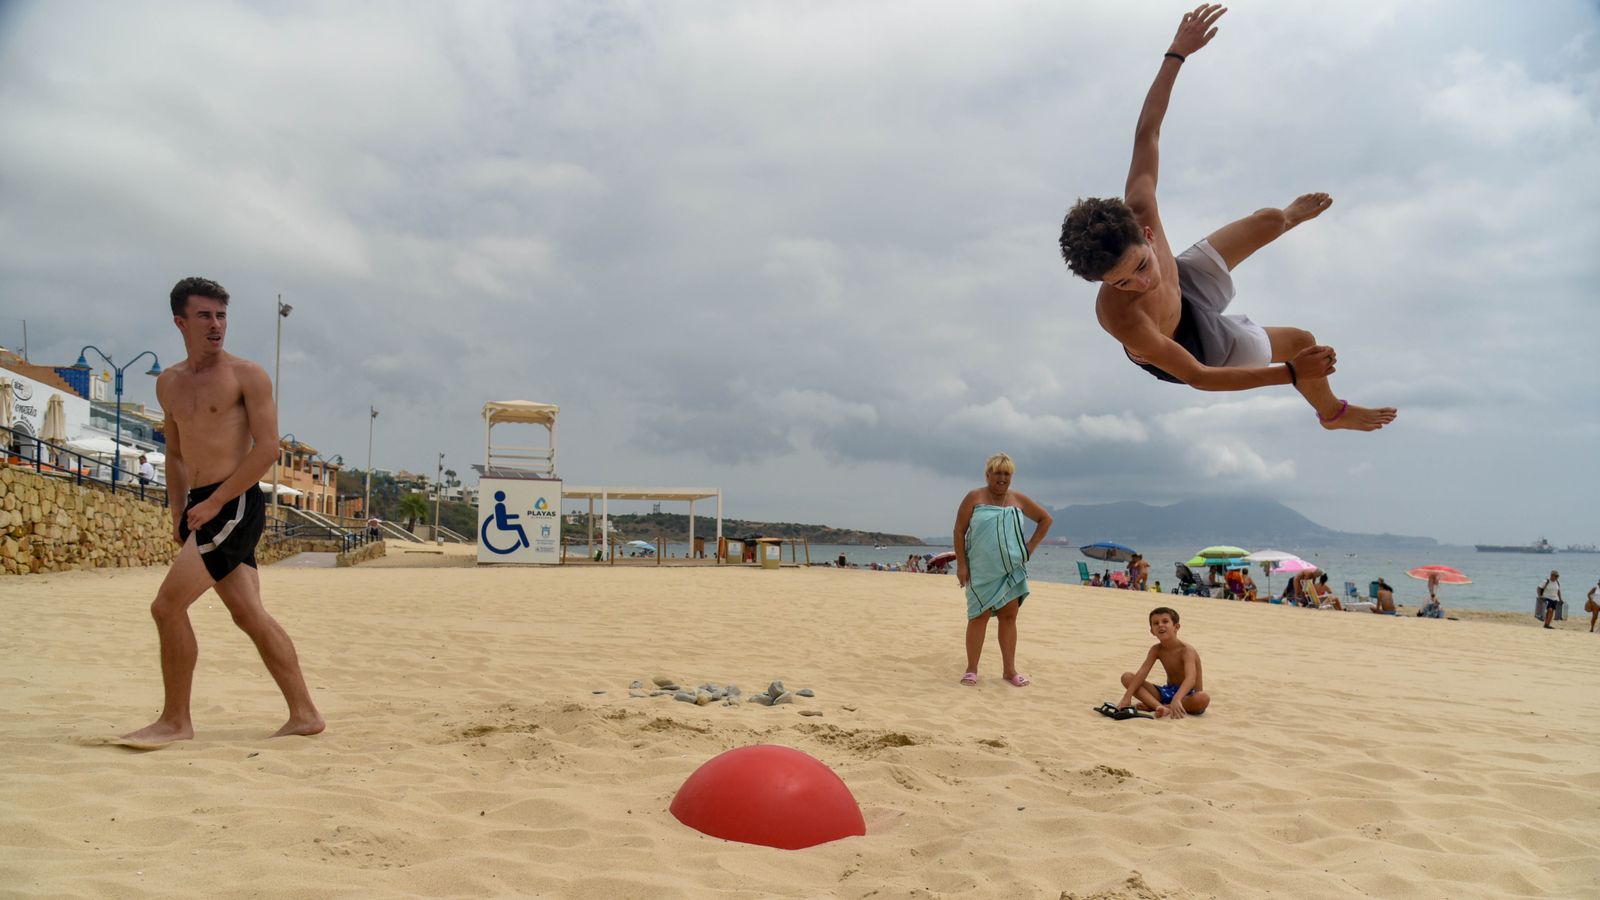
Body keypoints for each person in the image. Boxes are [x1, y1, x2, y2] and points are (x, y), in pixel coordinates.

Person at [1057, 4, 1397, 432]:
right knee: (1302, 343)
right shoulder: (1122, 318)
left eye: (1140, 266)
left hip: (1183, 280)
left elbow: (1148, 130)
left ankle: (1286, 219)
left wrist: (1176, 53)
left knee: (1271, 219)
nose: (1140, 283)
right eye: (1122, 282)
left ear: (1146, 233)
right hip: (1192, 345)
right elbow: (1200, 378)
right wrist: (1294, 373)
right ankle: (1332, 414)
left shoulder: (1141, 204)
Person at [120, 276, 323, 746]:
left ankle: (175, 721)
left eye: (222, 315)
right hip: (200, 505)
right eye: (205, 315)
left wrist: (214, 501)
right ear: (180, 322)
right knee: (249, 614)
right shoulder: (168, 384)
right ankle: (305, 713)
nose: (216, 325)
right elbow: (173, 455)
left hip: (234, 501)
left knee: (167, 606)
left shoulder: (246, 375)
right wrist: (179, 509)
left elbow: (268, 448)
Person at [953, 452, 1052, 687]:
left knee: (1009, 617)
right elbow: (959, 531)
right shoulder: (974, 497)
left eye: (1007, 474)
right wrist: (961, 564)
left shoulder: (1018, 499)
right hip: (981, 569)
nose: (1002, 478)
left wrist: (1030, 548)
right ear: (988, 474)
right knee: (979, 616)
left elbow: (1045, 519)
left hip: (1011, 568)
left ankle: (1009, 671)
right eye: (997, 473)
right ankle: (971, 669)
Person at [1108, 606, 1210, 719]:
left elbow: (1191, 679)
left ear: (1176, 627)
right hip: (1167, 692)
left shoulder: (1187, 650)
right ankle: (1159, 707)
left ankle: (1160, 705)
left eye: (1165, 621)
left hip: (1188, 696)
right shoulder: (1156, 649)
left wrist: (1177, 699)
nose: (1160, 625)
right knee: (1127, 677)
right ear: (1152, 631)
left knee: (1203, 698)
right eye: (1156, 623)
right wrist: (1127, 697)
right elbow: (1142, 673)